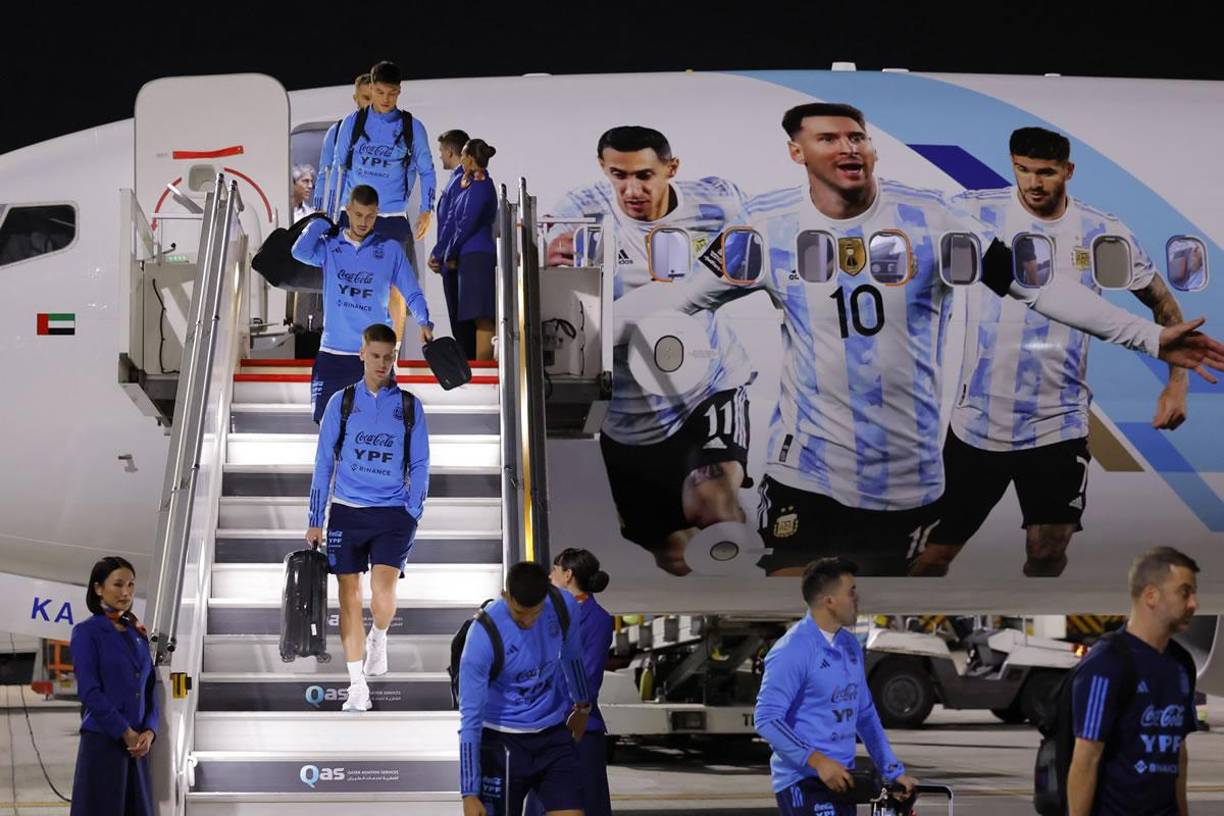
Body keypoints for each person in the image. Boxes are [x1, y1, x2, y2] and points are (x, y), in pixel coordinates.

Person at [656, 101, 1224, 576]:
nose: (850, 148)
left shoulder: (933, 219)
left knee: (1003, 559)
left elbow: (1039, 287)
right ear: (796, 152)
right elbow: (678, 302)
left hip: (914, 477)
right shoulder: (766, 224)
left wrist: (1150, 339)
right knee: (795, 594)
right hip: (810, 465)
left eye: (858, 137)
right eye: (829, 138)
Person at [913, 127, 1193, 577]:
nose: (1033, 184)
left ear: (1068, 171)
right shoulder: (976, 212)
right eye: (1022, 170)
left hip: (1057, 422)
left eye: (1045, 172)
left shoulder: (1102, 231)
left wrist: (1176, 386)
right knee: (932, 556)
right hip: (978, 422)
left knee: (1047, 552)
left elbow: (1163, 304)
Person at [545, 125, 754, 576]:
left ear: (671, 169)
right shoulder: (581, 214)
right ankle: (713, 618)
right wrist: (554, 263)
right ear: (604, 169)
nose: (632, 190)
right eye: (618, 175)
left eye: (645, 175)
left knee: (714, 507)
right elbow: (561, 294)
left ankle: (752, 588)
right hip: (631, 416)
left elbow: (752, 262)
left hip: (705, 387)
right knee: (673, 555)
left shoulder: (716, 204)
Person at [305, 322, 430, 711]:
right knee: (347, 598)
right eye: (375, 356)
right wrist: (315, 517)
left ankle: (379, 635)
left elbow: (421, 462)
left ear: (395, 358)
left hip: (393, 513)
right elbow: (324, 462)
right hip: (346, 512)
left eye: (388, 357)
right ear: (362, 354)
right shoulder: (341, 403)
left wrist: (414, 509)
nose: (382, 364)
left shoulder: (409, 405)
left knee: (382, 595)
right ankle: (356, 683)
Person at [754, 557, 917, 815]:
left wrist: (893, 772)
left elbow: (864, 714)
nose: (857, 598)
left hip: (842, 779)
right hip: (804, 780)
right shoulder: (793, 650)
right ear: (829, 601)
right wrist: (818, 762)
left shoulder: (849, 645)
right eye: (851, 591)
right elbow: (766, 719)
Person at [1068, 547, 1200, 816]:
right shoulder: (1106, 663)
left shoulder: (1181, 663)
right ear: (1151, 595)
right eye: (1184, 592)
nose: (1193, 604)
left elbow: (1178, 753)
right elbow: (1086, 758)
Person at [457, 561, 592, 816]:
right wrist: (469, 791)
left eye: (535, 613)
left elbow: (572, 656)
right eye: (519, 613)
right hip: (500, 740)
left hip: (551, 735)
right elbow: (470, 717)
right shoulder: (483, 635)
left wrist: (583, 706)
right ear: (505, 596)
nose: (528, 621)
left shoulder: (564, 606)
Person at [291, 184, 433, 423]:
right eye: (358, 214)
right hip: (332, 353)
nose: (363, 221)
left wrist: (424, 321)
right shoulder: (330, 246)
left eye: (370, 215)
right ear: (348, 210)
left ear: (377, 213)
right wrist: (319, 224)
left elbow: (412, 291)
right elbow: (300, 251)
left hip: (373, 357)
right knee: (328, 429)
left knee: (379, 427)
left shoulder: (390, 250)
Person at [525, 549, 615, 816]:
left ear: (568, 575)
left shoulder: (597, 618)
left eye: (554, 569)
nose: (550, 575)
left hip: (576, 729)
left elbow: (588, 677)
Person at [70, 556, 160, 816]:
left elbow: (150, 687)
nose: (126, 592)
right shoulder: (87, 632)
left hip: (138, 748)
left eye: (131, 585)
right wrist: (125, 731)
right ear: (98, 588)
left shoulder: (137, 634)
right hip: (105, 743)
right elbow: (89, 690)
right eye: (118, 584)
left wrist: (150, 731)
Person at [326, 60, 436, 272]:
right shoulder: (353, 122)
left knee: (395, 286)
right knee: (350, 283)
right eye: (380, 92)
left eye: (392, 93)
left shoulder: (412, 127)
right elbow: (337, 168)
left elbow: (427, 171)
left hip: (391, 217)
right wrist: (329, 215)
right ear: (372, 87)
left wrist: (426, 211)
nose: (386, 99)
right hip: (351, 216)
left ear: (400, 91)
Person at [430, 139, 498, 360]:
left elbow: (466, 223)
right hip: (467, 256)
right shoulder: (470, 184)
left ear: (469, 159)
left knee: (481, 317)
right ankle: (476, 368)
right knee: (470, 317)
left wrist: (448, 253)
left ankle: (484, 369)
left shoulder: (482, 186)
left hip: (477, 256)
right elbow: (454, 220)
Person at [432, 128, 475, 357]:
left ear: (450, 151)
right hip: (453, 258)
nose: (440, 156)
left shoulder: (461, 180)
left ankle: (469, 366)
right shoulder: (459, 179)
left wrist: (440, 254)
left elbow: (454, 221)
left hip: (454, 261)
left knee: (461, 321)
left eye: (441, 151)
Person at [314, 73, 373, 214]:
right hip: (345, 211)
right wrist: (319, 211)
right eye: (366, 98)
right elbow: (324, 175)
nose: (371, 104)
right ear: (356, 99)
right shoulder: (336, 132)